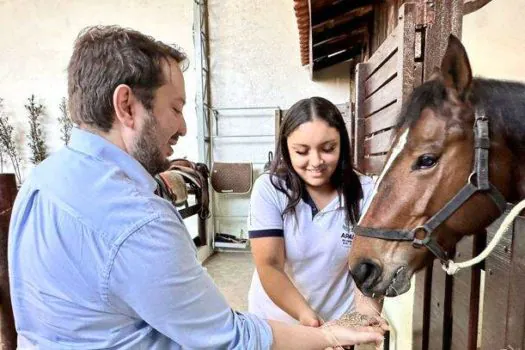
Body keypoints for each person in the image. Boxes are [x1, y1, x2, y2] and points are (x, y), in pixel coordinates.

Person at [8, 26, 384, 349]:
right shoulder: (138, 218)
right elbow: (225, 336)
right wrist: (326, 334)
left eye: (328, 148)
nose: (185, 127)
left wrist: (355, 317)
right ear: (126, 106)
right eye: (175, 108)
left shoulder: (39, 182)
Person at [248, 97, 382, 326]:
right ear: (286, 149)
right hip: (277, 323)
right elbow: (269, 265)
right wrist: (311, 322)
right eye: (301, 152)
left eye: (328, 149)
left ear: (342, 145)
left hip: (339, 323)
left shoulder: (365, 192)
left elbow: (370, 265)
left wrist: (364, 317)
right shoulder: (270, 189)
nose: (316, 161)